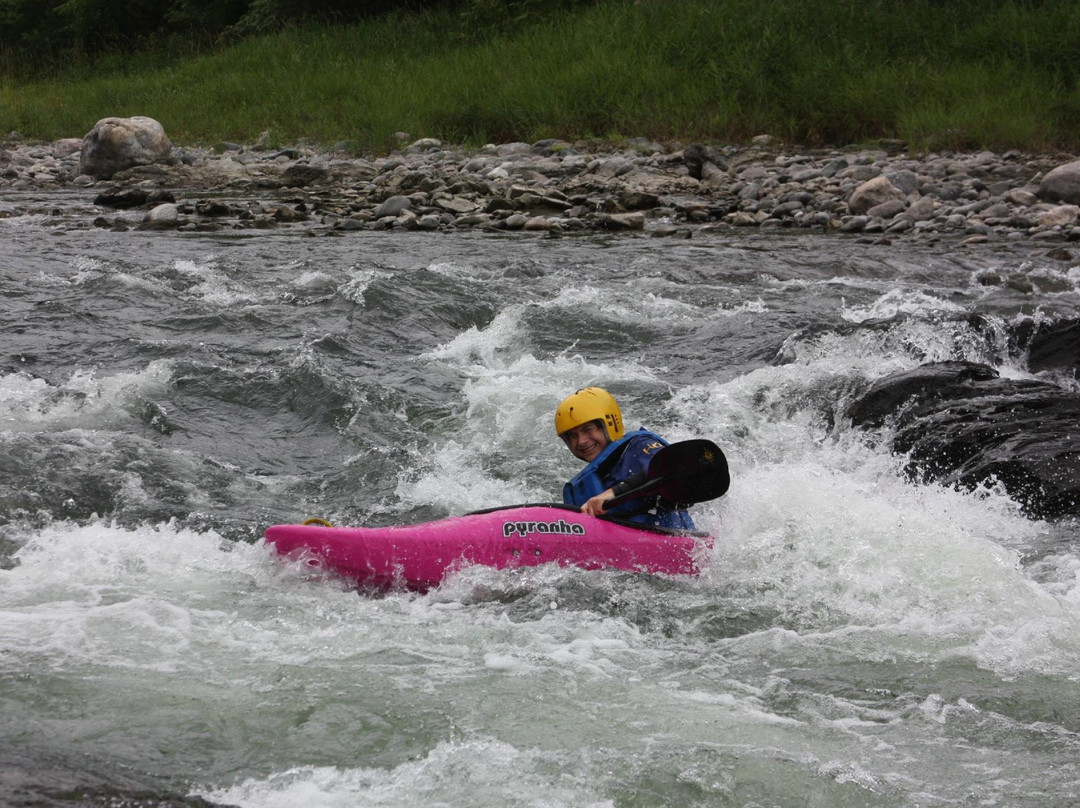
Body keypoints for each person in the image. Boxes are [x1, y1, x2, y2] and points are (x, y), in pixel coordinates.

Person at [555, 387, 696, 530]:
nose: (581, 441)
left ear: (610, 424)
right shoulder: (581, 486)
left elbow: (674, 466)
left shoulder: (639, 447)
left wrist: (613, 493)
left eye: (588, 429)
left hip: (675, 543)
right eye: (573, 436)